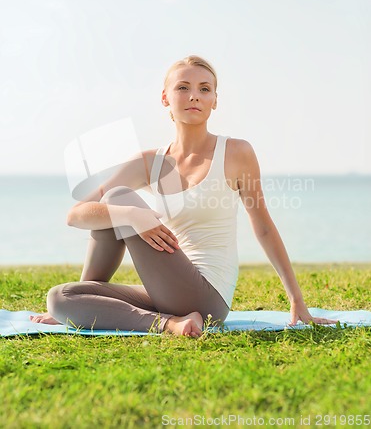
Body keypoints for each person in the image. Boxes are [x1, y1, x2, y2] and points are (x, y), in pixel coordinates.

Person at [30, 54, 337, 337]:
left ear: (215, 100)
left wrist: (297, 301)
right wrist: (132, 215)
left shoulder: (236, 153)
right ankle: (156, 318)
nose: (194, 96)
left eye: (205, 89)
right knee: (61, 297)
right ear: (165, 97)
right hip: (168, 288)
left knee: (118, 196)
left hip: (209, 298)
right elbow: (77, 214)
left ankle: (171, 321)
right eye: (183, 87)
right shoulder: (150, 161)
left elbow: (264, 226)